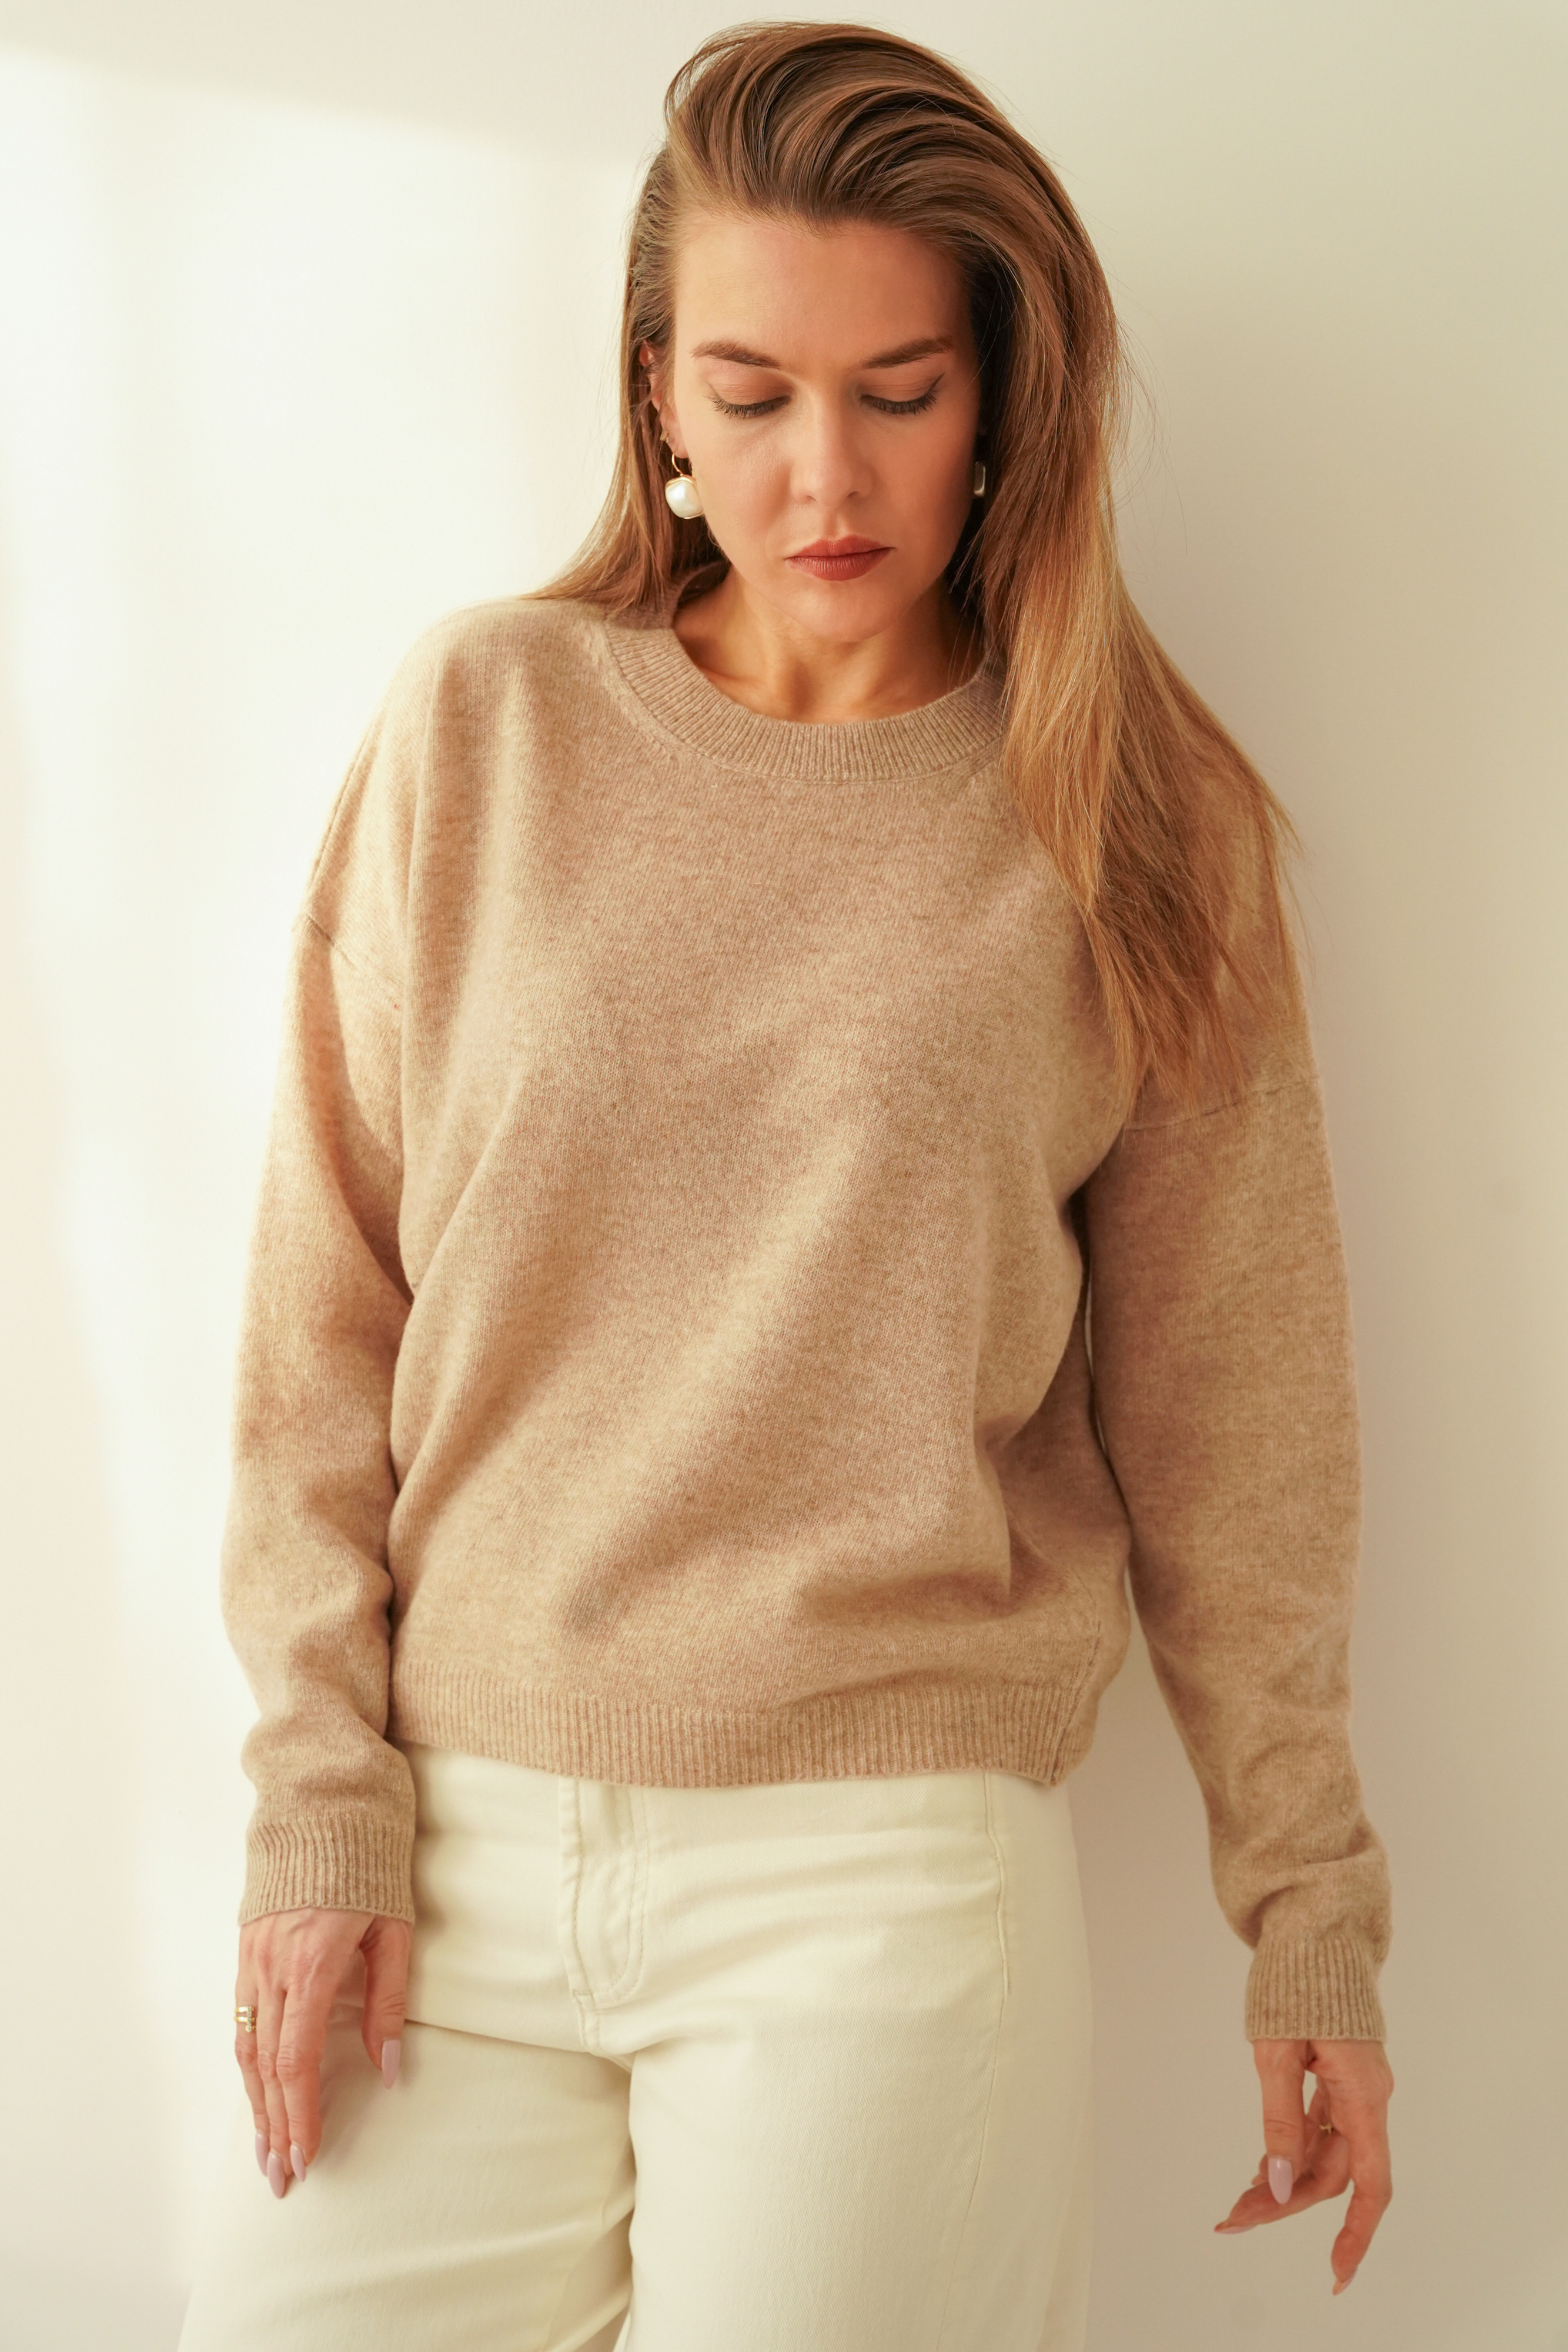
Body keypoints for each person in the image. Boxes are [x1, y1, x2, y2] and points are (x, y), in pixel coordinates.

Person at [176, 22, 1394, 2351]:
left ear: (1001, 395)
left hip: (884, 1872)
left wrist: (1309, 1909)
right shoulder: (483, 722)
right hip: (445, 1847)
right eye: (747, 393)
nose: (821, 472)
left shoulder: (1132, 821)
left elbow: (1241, 1421)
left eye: (896, 392)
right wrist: (318, 1798)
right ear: (656, 393)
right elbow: (316, 1313)